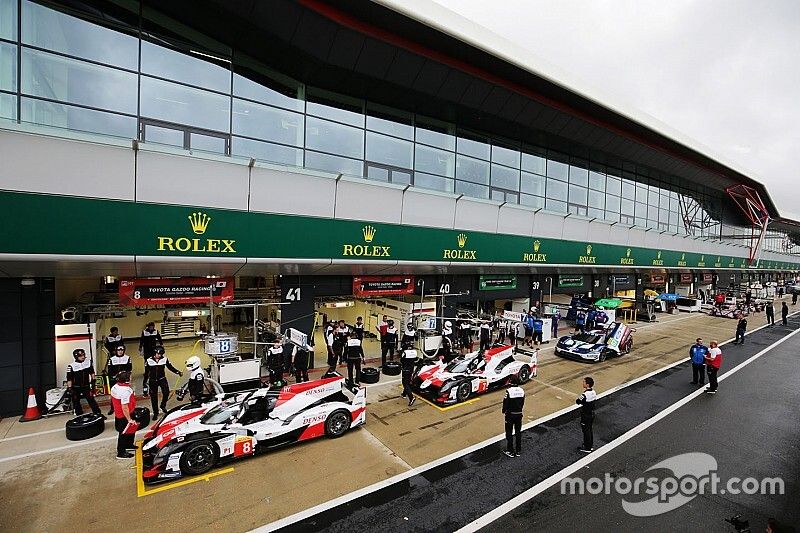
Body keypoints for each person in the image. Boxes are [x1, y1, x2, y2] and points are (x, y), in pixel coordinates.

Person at [143, 346, 182, 416]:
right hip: (152, 381)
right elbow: (146, 373)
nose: (159, 356)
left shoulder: (165, 359)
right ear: (154, 353)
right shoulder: (148, 361)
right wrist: (145, 383)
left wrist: (177, 372)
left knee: (166, 392)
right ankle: (155, 412)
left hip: (162, 379)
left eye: (161, 354)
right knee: (153, 397)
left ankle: (163, 405)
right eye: (158, 354)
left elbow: (170, 367)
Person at [110, 371, 137, 459]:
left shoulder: (115, 387)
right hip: (125, 415)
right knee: (124, 433)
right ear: (126, 380)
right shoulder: (126, 391)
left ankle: (129, 445)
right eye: (130, 377)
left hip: (119, 414)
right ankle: (121, 452)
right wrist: (129, 419)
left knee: (130, 431)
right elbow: (124, 407)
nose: (131, 378)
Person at [67, 348, 102, 416]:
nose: (83, 357)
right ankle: (79, 414)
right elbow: (69, 378)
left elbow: (92, 373)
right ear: (76, 357)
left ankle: (98, 413)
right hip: (76, 387)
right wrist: (70, 388)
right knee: (76, 401)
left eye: (83, 355)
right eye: (80, 356)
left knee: (91, 400)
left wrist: (93, 381)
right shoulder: (71, 366)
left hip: (86, 386)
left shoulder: (88, 363)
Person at [502, 374, 525, 457]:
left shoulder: (509, 391)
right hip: (519, 414)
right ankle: (518, 450)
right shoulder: (522, 391)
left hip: (510, 415)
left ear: (510, 381)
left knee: (509, 433)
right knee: (518, 432)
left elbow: (505, 403)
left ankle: (510, 451)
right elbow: (522, 403)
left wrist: (504, 411)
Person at [106, 345, 132, 414]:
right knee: (114, 394)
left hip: (124, 380)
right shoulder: (112, 359)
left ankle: (128, 407)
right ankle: (113, 408)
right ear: (116, 351)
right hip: (114, 380)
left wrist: (128, 379)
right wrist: (114, 377)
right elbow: (110, 370)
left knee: (126, 394)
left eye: (122, 350)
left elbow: (129, 369)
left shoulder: (127, 358)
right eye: (118, 350)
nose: (120, 351)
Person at [576, 376, 597, 453]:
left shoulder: (585, 394)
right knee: (590, 430)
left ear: (587, 384)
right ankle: (590, 445)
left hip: (585, 415)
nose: (583, 383)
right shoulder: (594, 392)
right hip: (591, 414)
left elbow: (578, 401)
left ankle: (587, 447)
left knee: (585, 431)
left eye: (584, 382)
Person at [400, 341, 418, 406]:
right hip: (411, 369)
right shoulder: (415, 352)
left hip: (405, 369)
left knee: (404, 383)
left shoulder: (405, 353)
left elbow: (401, 360)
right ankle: (404, 394)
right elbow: (416, 359)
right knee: (407, 381)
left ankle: (411, 397)